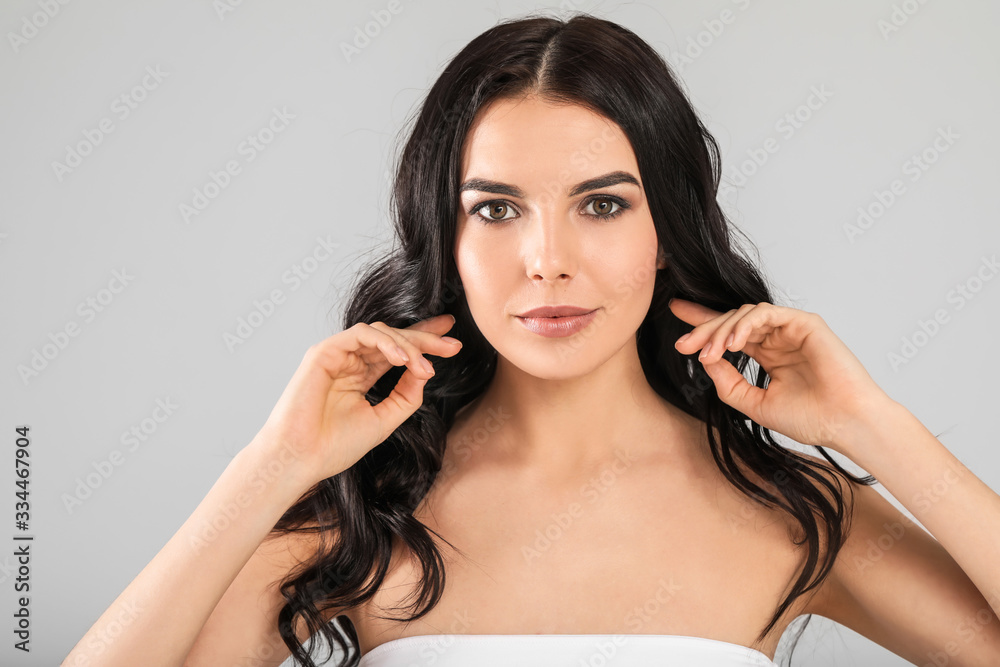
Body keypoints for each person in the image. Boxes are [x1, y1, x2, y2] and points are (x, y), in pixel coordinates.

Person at [62, 11, 1000, 667]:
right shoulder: (368, 512)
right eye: (498, 209)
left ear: (666, 230)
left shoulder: (791, 508)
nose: (546, 260)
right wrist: (274, 463)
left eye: (600, 204)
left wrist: (872, 423)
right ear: (448, 240)